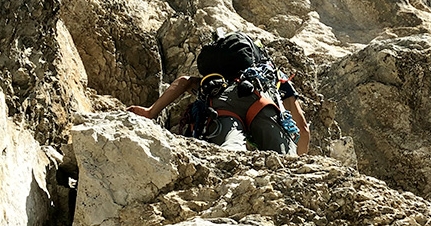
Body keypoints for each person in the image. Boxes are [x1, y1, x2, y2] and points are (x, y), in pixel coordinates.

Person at [128, 36, 310, 156]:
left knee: (231, 150)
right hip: (259, 100)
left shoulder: (217, 80)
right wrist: (301, 159)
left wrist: (151, 112)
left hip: (222, 102)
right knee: (285, 161)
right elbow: (303, 128)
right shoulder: (275, 76)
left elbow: (183, 82)